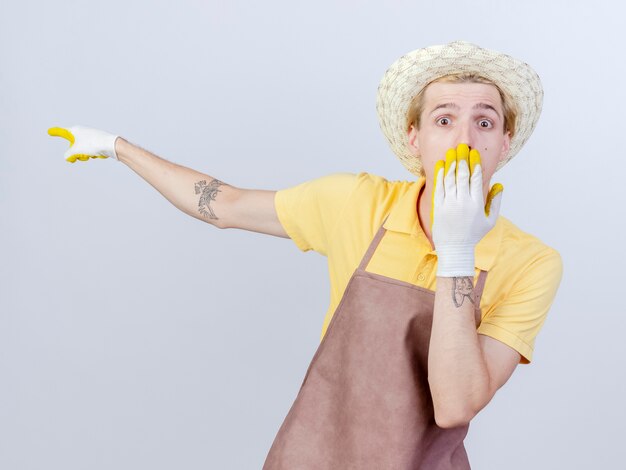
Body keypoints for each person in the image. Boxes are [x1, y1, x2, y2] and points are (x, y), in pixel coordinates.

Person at [49, 41, 562, 469]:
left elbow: (454, 406)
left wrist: (457, 250)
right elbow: (224, 205)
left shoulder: (530, 262)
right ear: (415, 138)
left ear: (505, 143)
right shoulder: (356, 204)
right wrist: (116, 146)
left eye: (485, 123)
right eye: (444, 120)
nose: (464, 140)